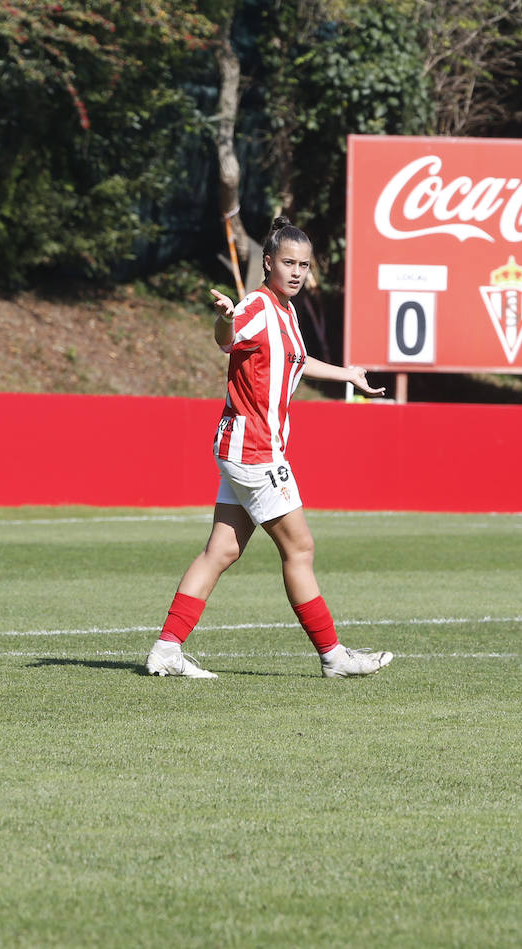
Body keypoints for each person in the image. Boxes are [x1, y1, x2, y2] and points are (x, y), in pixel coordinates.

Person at [146, 217, 394, 679]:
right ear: (268, 263)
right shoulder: (258, 306)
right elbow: (229, 336)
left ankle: (166, 650)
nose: (297, 272)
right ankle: (334, 657)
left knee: (221, 550)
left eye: (303, 264)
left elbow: (296, 359)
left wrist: (347, 374)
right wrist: (222, 321)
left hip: (239, 446)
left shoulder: (285, 309)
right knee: (300, 549)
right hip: (255, 451)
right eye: (288, 262)